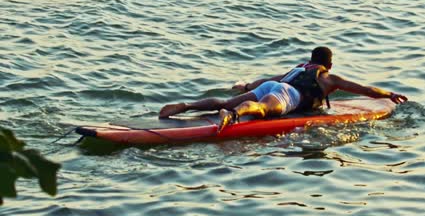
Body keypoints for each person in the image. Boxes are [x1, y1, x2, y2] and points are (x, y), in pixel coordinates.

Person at [159, 46, 408, 132]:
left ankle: (187, 106)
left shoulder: (299, 67)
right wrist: (390, 94)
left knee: (226, 100)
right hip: (288, 95)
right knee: (261, 109)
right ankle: (233, 116)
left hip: (276, 85)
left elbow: (266, 80)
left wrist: (245, 85)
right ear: (329, 64)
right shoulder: (327, 78)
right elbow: (364, 89)